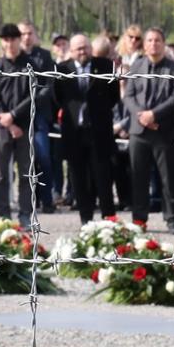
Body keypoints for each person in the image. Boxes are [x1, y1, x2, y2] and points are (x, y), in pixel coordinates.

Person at [122, 27, 174, 232]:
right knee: (138, 178)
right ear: (144, 44)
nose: (153, 44)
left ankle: (173, 219)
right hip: (139, 132)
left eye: (157, 40)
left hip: (164, 131)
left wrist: (154, 115)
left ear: (163, 44)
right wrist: (142, 116)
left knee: (169, 179)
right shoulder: (136, 67)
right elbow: (128, 96)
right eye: (149, 40)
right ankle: (139, 220)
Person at [55, 34, 118, 225]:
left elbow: (114, 96)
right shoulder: (62, 69)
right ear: (71, 51)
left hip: (99, 132)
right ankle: (86, 219)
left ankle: (109, 218)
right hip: (74, 132)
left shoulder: (106, 66)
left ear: (91, 48)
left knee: (103, 176)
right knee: (79, 178)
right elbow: (57, 97)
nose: (83, 52)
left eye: (85, 47)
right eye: (78, 49)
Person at [0, 23, 46, 228]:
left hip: (24, 126)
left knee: (25, 173)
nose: (9, 43)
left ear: (19, 40)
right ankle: (3, 217)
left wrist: (13, 116)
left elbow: (35, 95)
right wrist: (6, 119)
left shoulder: (31, 65)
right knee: (1, 174)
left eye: (13, 38)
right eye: (5, 39)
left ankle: (25, 215)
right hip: (0, 127)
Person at [18, 21, 57, 213]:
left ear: (35, 35)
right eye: (22, 33)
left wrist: (33, 100)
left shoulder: (45, 56)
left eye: (29, 33)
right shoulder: (13, 57)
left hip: (39, 113)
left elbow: (48, 85)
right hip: (18, 116)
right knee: (24, 160)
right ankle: (26, 202)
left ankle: (47, 199)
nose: (26, 37)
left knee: (43, 157)